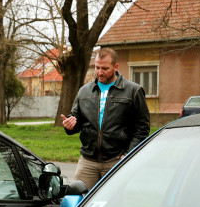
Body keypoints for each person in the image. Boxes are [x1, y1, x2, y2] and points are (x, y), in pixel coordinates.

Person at [61, 48, 151, 188]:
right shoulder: (84, 91)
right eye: (97, 67)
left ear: (115, 67)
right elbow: (76, 121)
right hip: (88, 161)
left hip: (116, 160)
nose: (100, 72)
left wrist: (129, 153)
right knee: (81, 201)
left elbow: (142, 127)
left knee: (113, 204)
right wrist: (69, 125)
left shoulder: (133, 91)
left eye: (104, 68)